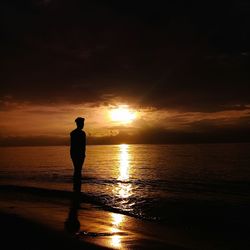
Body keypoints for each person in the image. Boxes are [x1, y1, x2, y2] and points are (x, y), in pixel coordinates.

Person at [70, 117, 86, 192]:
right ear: (78, 124)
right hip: (77, 153)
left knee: (77, 169)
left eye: (83, 123)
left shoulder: (73, 133)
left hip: (75, 153)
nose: (83, 125)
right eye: (82, 123)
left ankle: (76, 186)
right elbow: (82, 145)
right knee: (78, 169)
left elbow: (82, 146)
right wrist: (83, 154)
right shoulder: (81, 133)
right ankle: (77, 187)